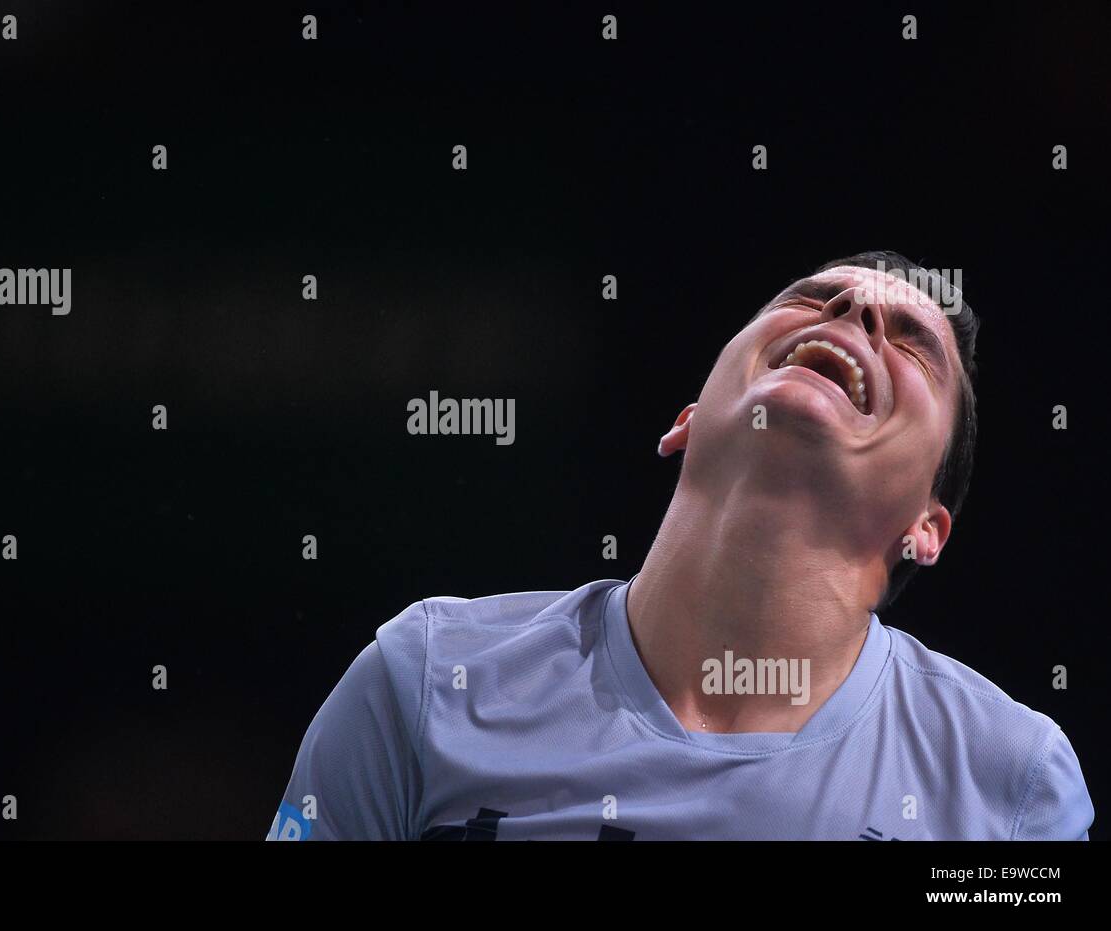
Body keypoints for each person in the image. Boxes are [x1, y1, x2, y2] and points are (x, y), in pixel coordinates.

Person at [266, 251, 1094, 840]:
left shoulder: (1008, 787)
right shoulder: (426, 679)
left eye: (911, 339)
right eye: (814, 297)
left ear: (927, 525)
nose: (853, 311)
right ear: (687, 423)